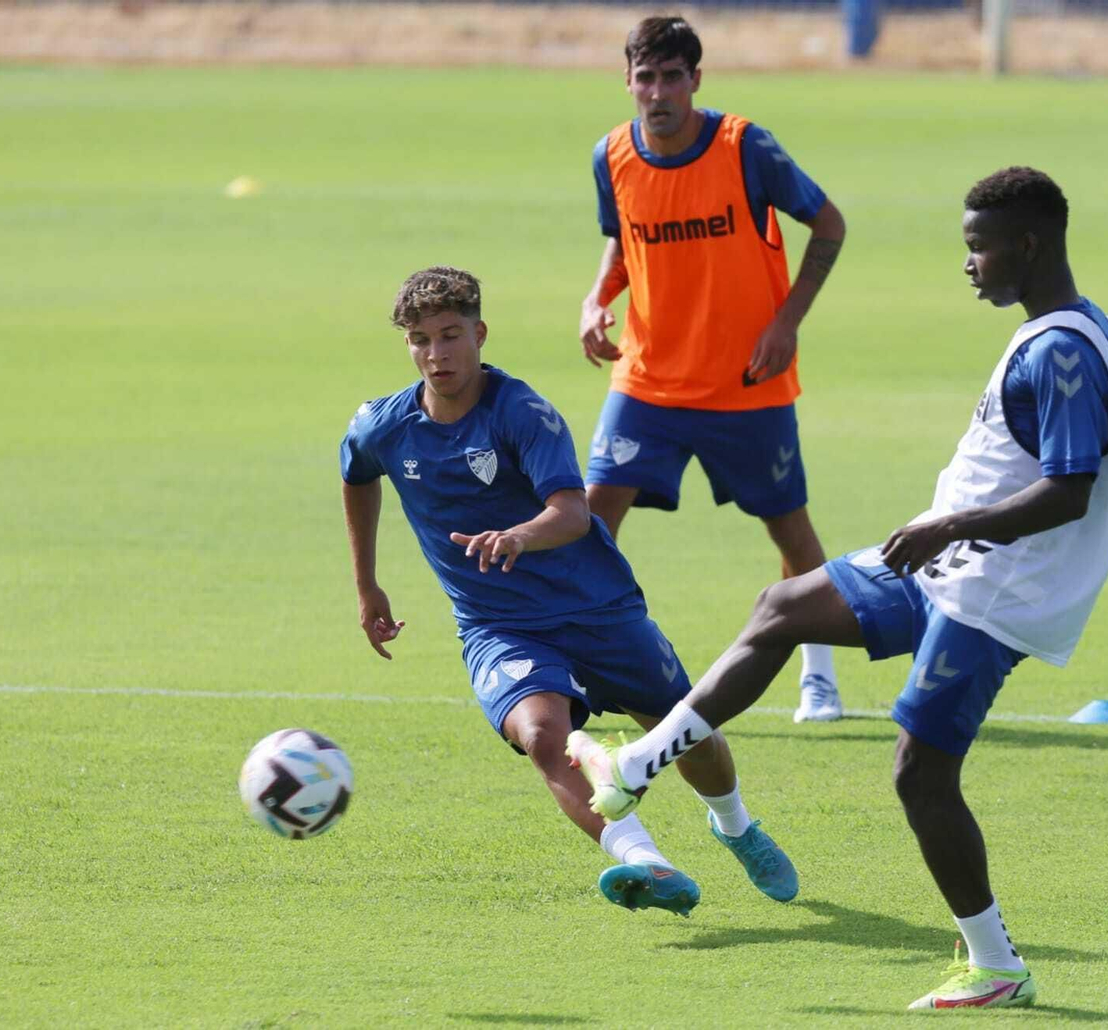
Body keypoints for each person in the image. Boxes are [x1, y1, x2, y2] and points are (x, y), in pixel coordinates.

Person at [567, 169, 1108, 1007]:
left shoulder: (1064, 353)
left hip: (994, 592)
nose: (968, 263)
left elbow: (1068, 491)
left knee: (919, 772)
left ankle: (997, 965)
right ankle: (640, 762)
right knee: (783, 608)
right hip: (951, 564)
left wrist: (949, 526)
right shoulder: (1092, 328)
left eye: (979, 247)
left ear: (1028, 246)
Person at [341, 266, 798, 917]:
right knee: (541, 736)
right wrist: (368, 585)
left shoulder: (522, 413)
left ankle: (735, 826)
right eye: (420, 340)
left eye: (449, 335)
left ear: (480, 333)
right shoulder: (384, 425)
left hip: (597, 608)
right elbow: (356, 473)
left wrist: (520, 536)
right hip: (497, 623)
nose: (436, 354)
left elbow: (575, 513)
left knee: (686, 731)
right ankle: (648, 863)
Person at [579, 16, 849, 723]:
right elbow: (623, 241)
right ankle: (583, 658)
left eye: (673, 77)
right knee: (587, 520)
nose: (659, 91)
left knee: (789, 532)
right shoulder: (611, 156)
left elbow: (829, 224)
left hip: (746, 383)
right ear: (629, 80)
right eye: (646, 77)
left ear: (697, 79)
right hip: (648, 381)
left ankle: (817, 673)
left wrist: (786, 322)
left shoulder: (744, 147)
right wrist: (595, 299)